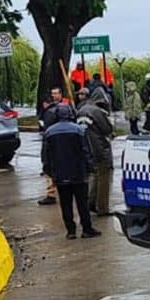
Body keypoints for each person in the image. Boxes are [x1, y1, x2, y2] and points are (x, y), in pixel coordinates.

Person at [41, 104, 100, 239]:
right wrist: (90, 167)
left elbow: (45, 155)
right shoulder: (79, 130)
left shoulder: (49, 132)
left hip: (60, 175)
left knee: (65, 203)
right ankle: (87, 228)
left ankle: (71, 231)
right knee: (82, 202)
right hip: (78, 173)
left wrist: (49, 171)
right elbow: (86, 151)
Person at [76, 88, 114, 217]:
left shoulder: (81, 110)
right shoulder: (97, 112)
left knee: (94, 176)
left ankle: (90, 203)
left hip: (85, 148)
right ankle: (103, 208)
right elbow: (107, 129)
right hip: (99, 148)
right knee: (103, 177)